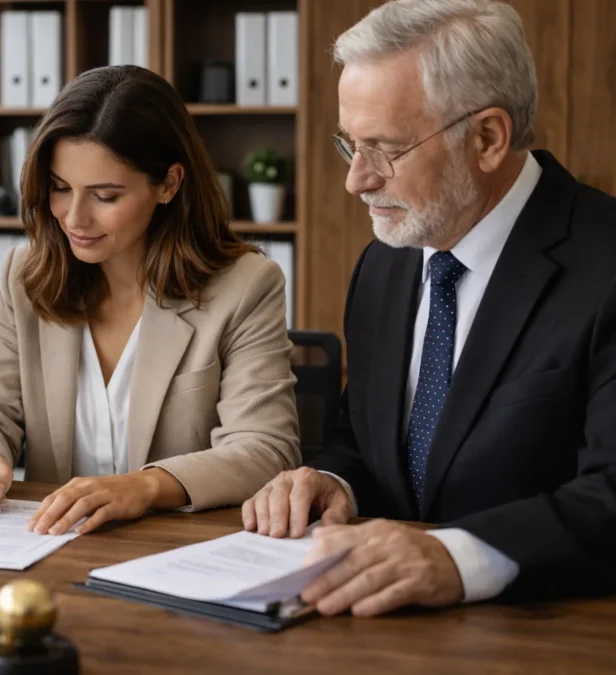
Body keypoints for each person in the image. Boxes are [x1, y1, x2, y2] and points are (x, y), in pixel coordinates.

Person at [243, 0, 616, 616]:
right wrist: (330, 483)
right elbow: (361, 442)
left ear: (488, 138)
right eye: (349, 145)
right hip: (376, 632)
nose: (356, 180)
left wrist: (457, 558)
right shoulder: (384, 264)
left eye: (383, 149)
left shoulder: (603, 263)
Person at [0, 65, 300, 535]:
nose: (74, 218)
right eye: (61, 188)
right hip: (47, 546)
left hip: (178, 553)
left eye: (105, 195)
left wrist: (143, 487)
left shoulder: (247, 286)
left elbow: (266, 448)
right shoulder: (24, 275)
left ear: (168, 184)